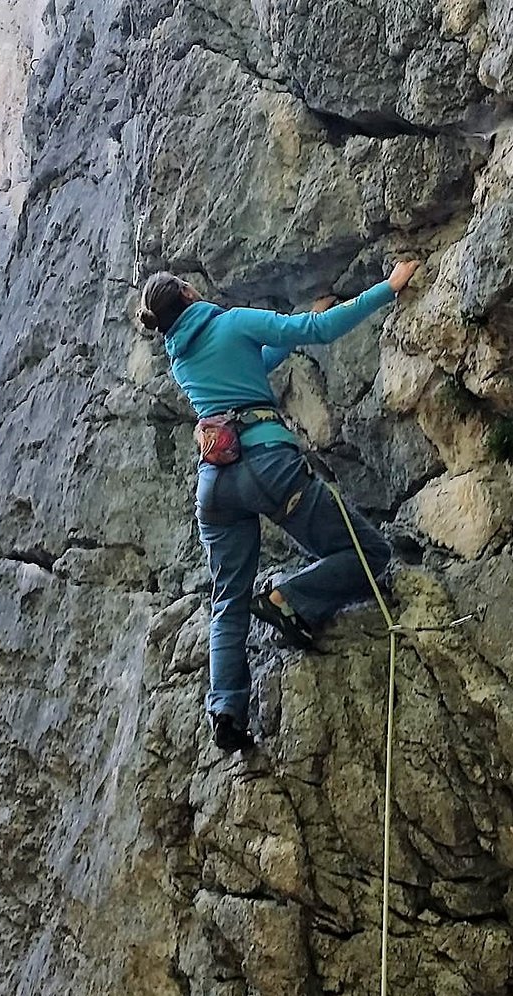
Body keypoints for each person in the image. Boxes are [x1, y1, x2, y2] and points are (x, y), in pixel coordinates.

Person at [140, 261, 419, 752]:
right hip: (268, 466)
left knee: (227, 599)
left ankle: (226, 710)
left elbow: (254, 363)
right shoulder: (231, 321)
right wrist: (388, 288)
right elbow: (319, 331)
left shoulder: (181, 357)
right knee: (371, 553)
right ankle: (289, 597)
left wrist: (297, 328)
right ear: (187, 293)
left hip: (216, 484)